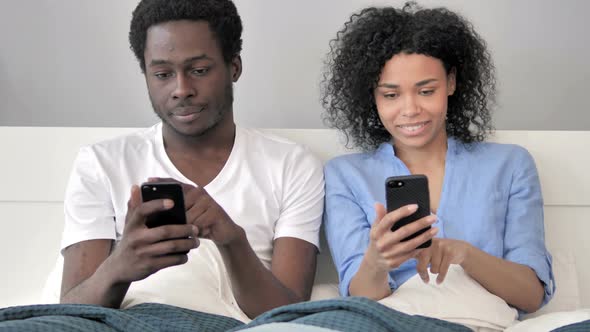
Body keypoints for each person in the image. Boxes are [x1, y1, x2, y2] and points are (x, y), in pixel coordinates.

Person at [57, 0, 324, 323]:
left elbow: (288, 316)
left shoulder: (291, 165)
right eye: (162, 74)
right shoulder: (102, 163)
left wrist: (232, 239)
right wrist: (120, 266)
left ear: (234, 67)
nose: (181, 89)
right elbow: (69, 312)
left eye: (198, 70)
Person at [321, 2, 555, 329]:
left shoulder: (511, 165)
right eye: (390, 95)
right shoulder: (345, 175)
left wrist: (465, 255)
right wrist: (377, 261)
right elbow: (360, 296)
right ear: (372, 97)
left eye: (426, 90)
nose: (410, 109)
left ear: (452, 82)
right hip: (394, 323)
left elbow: (530, 295)